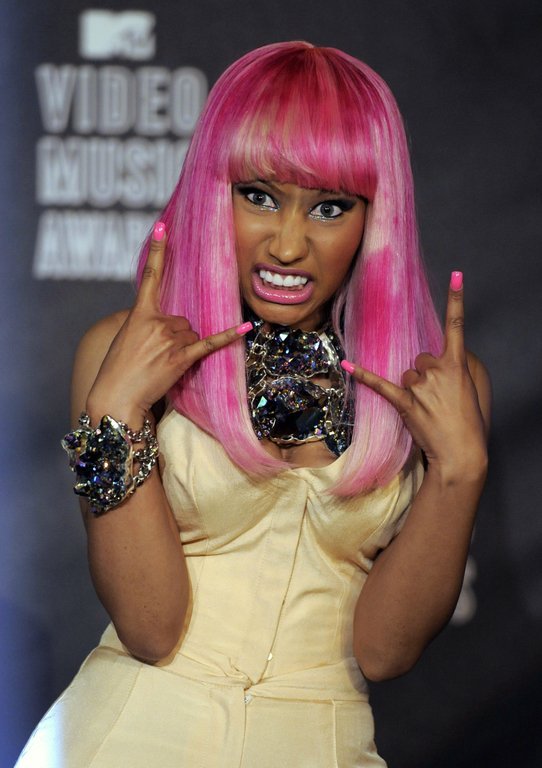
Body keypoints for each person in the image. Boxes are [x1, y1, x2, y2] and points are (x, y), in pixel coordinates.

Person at [16, 41, 490, 767]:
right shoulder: (120, 355)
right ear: (214, 192)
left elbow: (385, 651)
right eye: (259, 196)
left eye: (330, 207)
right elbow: (149, 626)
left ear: (376, 217)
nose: (288, 244)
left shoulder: (441, 389)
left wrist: (460, 471)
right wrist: (116, 405)